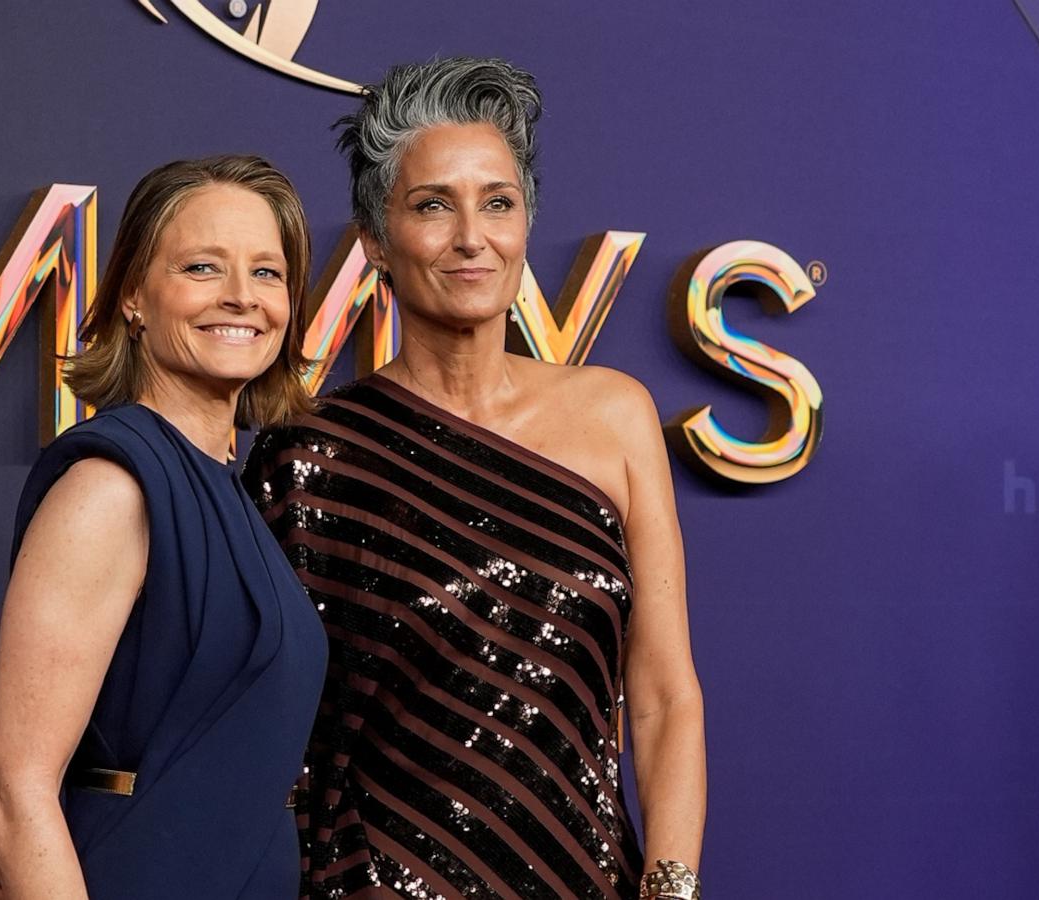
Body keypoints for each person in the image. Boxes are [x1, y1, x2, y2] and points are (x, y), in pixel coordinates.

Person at [247, 58, 707, 899]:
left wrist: (670, 889)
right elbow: (269, 739)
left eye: (498, 202)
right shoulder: (309, 457)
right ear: (375, 239)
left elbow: (664, 694)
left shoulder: (617, 416)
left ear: (525, 223)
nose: (472, 237)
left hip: (584, 878)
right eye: (432, 205)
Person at [0, 154, 328, 899]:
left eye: (267, 273)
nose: (242, 298)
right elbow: (16, 791)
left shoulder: (239, 491)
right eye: (203, 267)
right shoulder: (111, 486)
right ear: (134, 295)